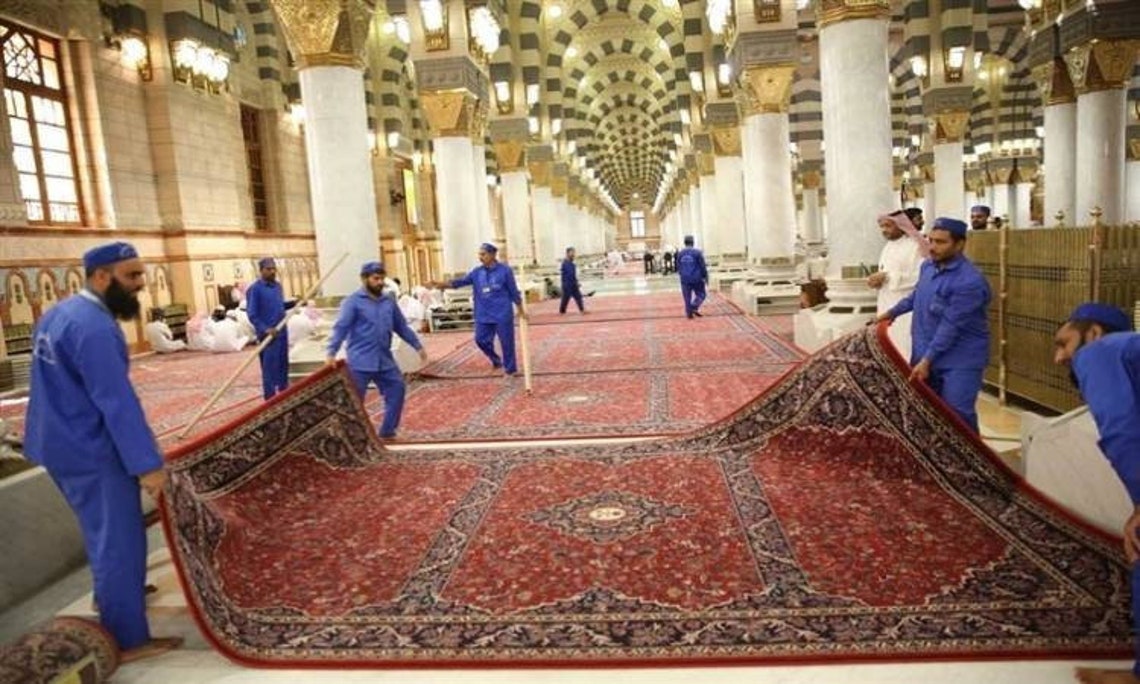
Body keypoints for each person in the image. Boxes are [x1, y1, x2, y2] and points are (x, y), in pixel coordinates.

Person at [23, 242, 182, 663]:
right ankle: (128, 638)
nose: (140, 286)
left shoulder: (58, 314)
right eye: (131, 276)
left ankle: (111, 596)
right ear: (101, 277)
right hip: (90, 449)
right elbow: (116, 402)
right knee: (120, 540)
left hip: (56, 442)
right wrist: (148, 465)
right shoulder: (94, 327)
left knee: (102, 531)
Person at [1051, 303, 1138, 684]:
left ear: (1094, 333)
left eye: (1064, 343)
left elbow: (1122, 431)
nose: (1059, 358)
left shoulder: (1100, 353)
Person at [876, 217, 991, 433]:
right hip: (925, 352)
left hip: (959, 359)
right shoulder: (928, 267)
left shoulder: (969, 281)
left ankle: (972, 464)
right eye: (930, 240)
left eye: (941, 242)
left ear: (959, 244)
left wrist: (928, 359)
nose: (933, 247)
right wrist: (891, 313)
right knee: (927, 411)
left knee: (958, 415)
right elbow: (916, 297)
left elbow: (951, 326)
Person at [326, 261, 428, 439]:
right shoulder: (352, 302)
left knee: (397, 389)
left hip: (384, 359)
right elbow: (341, 328)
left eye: (382, 278)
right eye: (375, 278)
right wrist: (331, 352)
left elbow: (401, 326)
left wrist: (417, 346)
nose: (380, 282)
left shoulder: (388, 301)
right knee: (355, 401)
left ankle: (387, 431)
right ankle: (350, 435)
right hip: (360, 361)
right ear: (364, 279)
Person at [430, 242, 526, 376]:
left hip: (502, 313)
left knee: (507, 342)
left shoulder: (505, 271)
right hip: (483, 313)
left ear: (493, 255)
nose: (480, 257)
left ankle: (510, 369)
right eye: (479, 254)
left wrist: (520, 308)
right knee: (480, 340)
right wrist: (441, 284)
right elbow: (460, 282)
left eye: (483, 254)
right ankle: (495, 359)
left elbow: (513, 291)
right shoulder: (476, 272)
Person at [867, 210, 929, 359]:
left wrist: (888, 277)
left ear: (901, 225)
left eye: (888, 226)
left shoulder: (916, 246)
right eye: (882, 227)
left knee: (905, 343)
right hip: (886, 301)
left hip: (906, 305)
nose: (884, 230)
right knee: (889, 341)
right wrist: (877, 281)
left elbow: (921, 276)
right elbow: (885, 272)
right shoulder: (888, 246)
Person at [245, 257, 295, 399]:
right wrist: (265, 329)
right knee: (269, 368)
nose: (272, 272)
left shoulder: (278, 286)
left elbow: (280, 306)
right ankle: (271, 398)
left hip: (282, 333)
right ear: (261, 271)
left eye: (274, 269)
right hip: (268, 336)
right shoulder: (255, 289)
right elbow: (252, 314)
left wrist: (294, 303)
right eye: (268, 269)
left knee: (282, 365)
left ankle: (284, 394)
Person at [675, 234, 709, 319]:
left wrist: (681, 274)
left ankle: (689, 313)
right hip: (696, 278)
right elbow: (702, 265)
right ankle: (694, 306)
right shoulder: (697, 252)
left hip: (684, 278)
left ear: (684, 242)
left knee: (687, 297)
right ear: (693, 242)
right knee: (701, 294)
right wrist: (705, 276)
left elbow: (678, 266)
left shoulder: (680, 253)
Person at [559, 246, 587, 314]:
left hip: (573, 283)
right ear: (567, 253)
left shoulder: (572, 264)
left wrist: (576, 282)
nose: (574, 254)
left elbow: (573, 275)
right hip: (567, 284)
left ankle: (582, 309)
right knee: (565, 298)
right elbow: (569, 274)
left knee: (578, 296)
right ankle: (562, 310)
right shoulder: (565, 263)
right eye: (572, 252)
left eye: (574, 252)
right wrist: (570, 283)